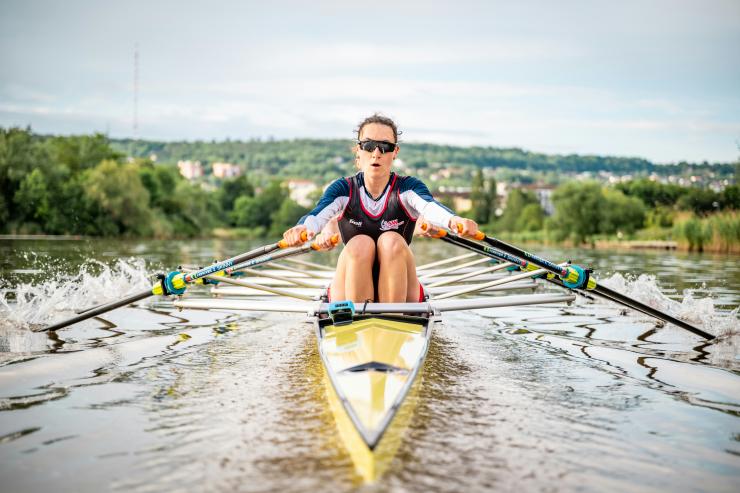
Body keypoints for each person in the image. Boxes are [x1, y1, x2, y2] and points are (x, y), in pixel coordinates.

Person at [282, 114, 479, 303]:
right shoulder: (342, 189)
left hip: (401, 284)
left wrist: (455, 221)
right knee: (360, 243)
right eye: (368, 145)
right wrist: (303, 229)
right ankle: (361, 317)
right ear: (358, 151)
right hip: (351, 280)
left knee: (391, 240)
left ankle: (392, 316)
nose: (376, 153)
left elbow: (430, 206)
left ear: (395, 152)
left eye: (385, 146)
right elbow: (317, 215)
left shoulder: (408, 188)